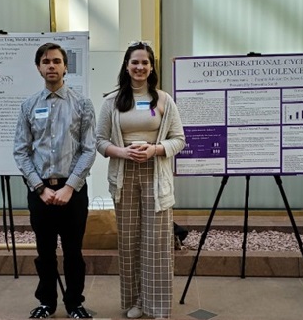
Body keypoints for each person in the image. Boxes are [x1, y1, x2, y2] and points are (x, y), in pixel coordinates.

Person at [96, 41, 185, 319]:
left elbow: (179, 140)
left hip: (155, 177)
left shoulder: (163, 100)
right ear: (126, 65)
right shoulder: (111, 101)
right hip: (124, 177)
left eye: (145, 62)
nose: (140, 67)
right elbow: (99, 141)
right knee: (130, 242)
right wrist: (122, 152)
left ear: (151, 67)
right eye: (135, 62)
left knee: (157, 242)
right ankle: (135, 302)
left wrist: (155, 150)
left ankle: (157, 305)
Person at [13, 42, 96, 319]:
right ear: (38, 67)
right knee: (44, 253)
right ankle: (46, 302)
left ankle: (75, 303)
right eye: (46, 61)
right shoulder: (28, 106)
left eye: (57, 61)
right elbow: (21, 151)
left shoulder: (82, 104)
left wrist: (70, 187)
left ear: (65, 67)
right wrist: (40, 188)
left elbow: (88, 148)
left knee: (73, 253)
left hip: (73, 192)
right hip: (40, 193)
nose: (52, 66)